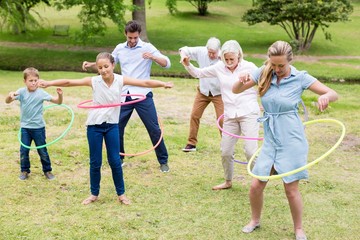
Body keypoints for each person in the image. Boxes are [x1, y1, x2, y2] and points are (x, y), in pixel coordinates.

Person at [232, 40, 338, 240]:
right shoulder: (264, 71)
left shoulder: (300, 78)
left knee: (291, 188)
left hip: (291, 138)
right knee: (256, 185)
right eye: (274, 65)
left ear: (290, 60)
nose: (277, 69)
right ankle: (255, 220)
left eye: (281, 65)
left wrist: (326, 98)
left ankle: (299, 229)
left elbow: (333, 93)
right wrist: (240, 78)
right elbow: (235, 90)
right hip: (271, 140)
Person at [39, 52, 173, 205]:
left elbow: (144, 83)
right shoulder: (94, 81)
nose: (103, 70)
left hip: (112, 126)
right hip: (94, 126)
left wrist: (163, 84)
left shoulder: (120, 80)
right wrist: (49, 83)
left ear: (113, 65)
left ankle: (121, 194)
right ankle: (94, 194)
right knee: (95, 162)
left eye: (106, 66)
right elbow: (69, 82)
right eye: (100, 67)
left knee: (115, 161)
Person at [82, 20, 171, 173]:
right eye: (130, 38)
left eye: (135, 38)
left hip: (143, 94)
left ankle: (163, 161)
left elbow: (167, 63)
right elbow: (109, 62)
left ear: (139, 35)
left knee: (154, 128)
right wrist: (91, 64)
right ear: (126, 35)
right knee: (116, 127)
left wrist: (153, 57)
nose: (132, 41)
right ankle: (119, 158)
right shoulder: (119, 48)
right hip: (123, 94)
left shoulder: (147, 47)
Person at [181, 40, 260, 190]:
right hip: (230, 114)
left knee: (250, 151)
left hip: (248, 113)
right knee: (226, 151)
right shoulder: (219, 67)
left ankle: (258, 182)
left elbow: (264, 79)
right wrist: (187, 64)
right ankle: (228, 181)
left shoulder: (249, 67)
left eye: (232, 59)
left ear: (239, 56)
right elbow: (198, 73)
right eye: (226, 59)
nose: (229, 62)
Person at [5, 67, 63, 181]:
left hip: (38, 128)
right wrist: (10, 95)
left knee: (42, 150)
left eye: (35, 80)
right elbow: (7, 101)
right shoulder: (21, 92)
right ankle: (24, 170)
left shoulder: (41, 93)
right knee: (24, 150)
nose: (33, 83)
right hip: (25, 128)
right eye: (30, 81)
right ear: (25, 81)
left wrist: (60, 95)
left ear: (38, 80)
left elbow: (58, 102)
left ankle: (47, 170)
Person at [179, 37, 224, 152]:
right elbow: (183, 49)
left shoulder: (224, 57)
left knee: (222, 119)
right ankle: (191, 143)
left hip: (219, 93)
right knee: (194, 115)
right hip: (203, 91)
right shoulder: (201, 51)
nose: (211, 55)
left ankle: (226, 145)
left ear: (219, 50)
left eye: (214, 53)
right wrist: (183, 56)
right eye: (209, 52)